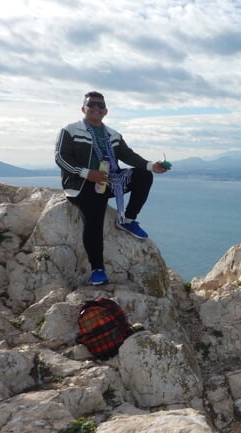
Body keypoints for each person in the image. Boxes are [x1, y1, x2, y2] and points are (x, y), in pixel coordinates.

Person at [55, 91, 169, 286]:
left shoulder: (113, 135)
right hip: (82, 185)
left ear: (106, 111)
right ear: (84, 108)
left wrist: (152, 166)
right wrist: (86, 173)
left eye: (100, 105)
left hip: (108, 180)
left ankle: (128, 219)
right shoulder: (71, 130)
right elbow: (61, 157)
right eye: (92, 104)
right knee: (94, 217)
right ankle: (97, 268)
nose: (96, 108)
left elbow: (128, 156)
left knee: (143, 175)